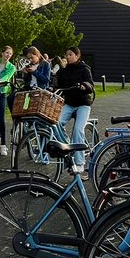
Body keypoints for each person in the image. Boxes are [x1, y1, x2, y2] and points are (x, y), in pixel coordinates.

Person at [56, 46, 95, 174]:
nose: (67, 56)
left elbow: (90, 84)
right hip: (69, 104)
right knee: (56, 124)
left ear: (78, 56)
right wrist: (52, 87)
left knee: (78, 130)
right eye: (66, 54)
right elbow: (56, 84)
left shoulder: (84, 69)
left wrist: (84, 86)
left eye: (70, 54)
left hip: (83, 104)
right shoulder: (63, 71)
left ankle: (80, 163)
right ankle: (68, 146)